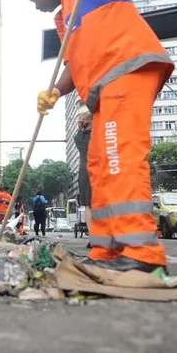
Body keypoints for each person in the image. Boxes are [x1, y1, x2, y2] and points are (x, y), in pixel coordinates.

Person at [25, 0, 173, 273]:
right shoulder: (67, 15)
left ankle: (142, 254)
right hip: (105, 87)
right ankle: (106, 249)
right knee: (99, 166)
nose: (36, 7)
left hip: (126, 68)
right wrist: (56, 92)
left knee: (120, 156)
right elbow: (77, 65)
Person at [74, 105, 94, 248]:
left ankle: (94, 238)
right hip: (99, 170)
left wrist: (81, 130)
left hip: (85, 171)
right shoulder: (100, 133)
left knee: (89, 205)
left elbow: (82, 147)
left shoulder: (78, 138)